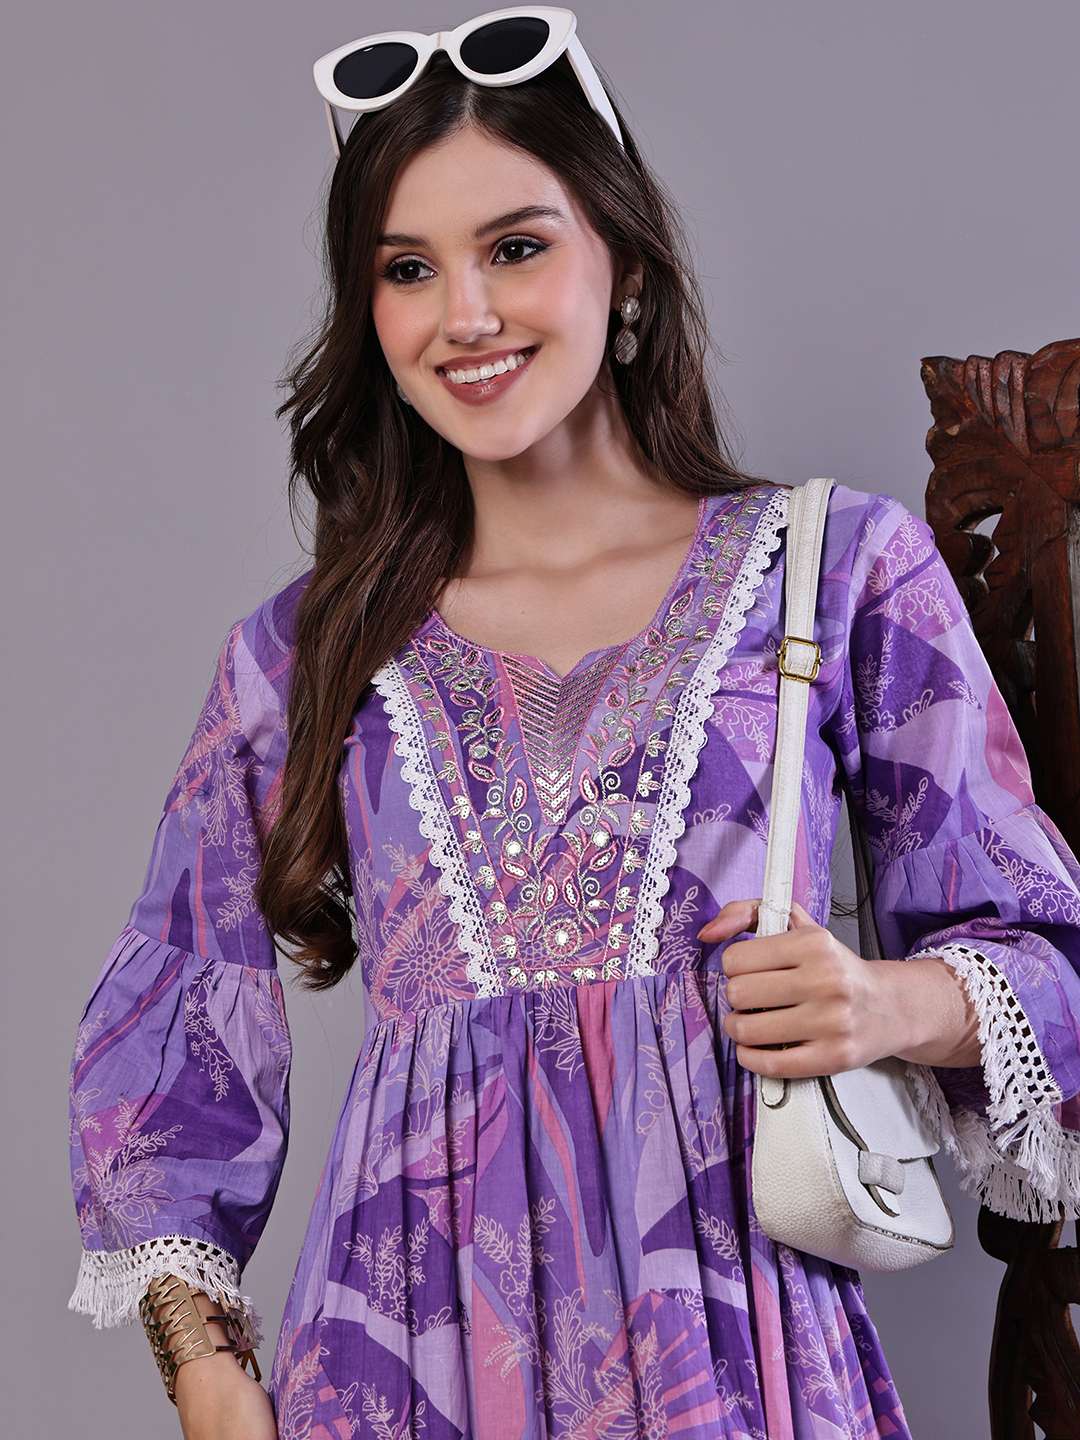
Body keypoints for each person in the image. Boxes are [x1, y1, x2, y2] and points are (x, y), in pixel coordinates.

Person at [66, 11, 1080, 1438]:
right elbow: (176, 1017)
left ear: (627, 264)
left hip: (735, 1356)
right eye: (408, 270)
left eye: (516, 247)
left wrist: (888, 1003)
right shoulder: (303, 652)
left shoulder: (833, 571)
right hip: (395, 1368)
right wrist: (210, 1376)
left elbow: (1050, 949)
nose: (466, 314)